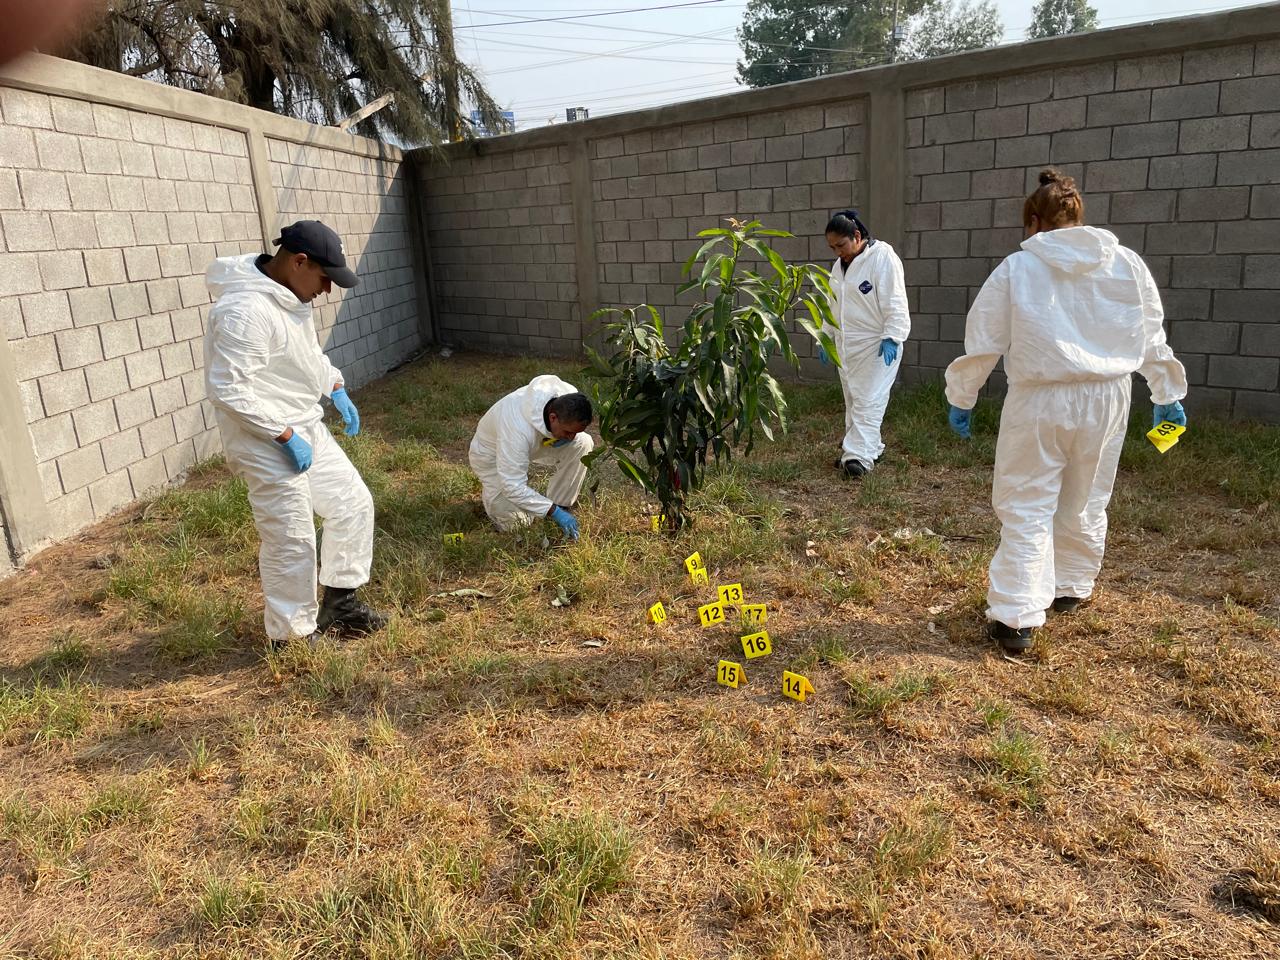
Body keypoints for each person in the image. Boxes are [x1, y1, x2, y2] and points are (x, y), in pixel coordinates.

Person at [945, 169, 1188, 654]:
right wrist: (1166, 391)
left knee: (1026, 503)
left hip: (1041, 398)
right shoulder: (1127, 264)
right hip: (1109, 395)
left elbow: (984, 341)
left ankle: (1015, 617)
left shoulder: (1017, 269)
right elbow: (1150, 334)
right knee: (1086, 494)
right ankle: (1072, 585)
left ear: (1033, 220)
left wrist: (962, 396)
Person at [204, 220, 388, 648]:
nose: (327, 290)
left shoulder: (288, 297)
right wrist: (283, 435)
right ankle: (290, 637)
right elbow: (228, 388)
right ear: (300, 261)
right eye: (325, 278)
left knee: (352, 503)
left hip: (303, 424)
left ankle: (340, 605)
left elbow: (305, 356)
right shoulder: (244, 311)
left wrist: (336, 386)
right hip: (262, 437)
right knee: (291, 537)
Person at [824, 210, 911, 478]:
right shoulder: (839, 267)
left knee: (869, 400)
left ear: (857, 236)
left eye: (841, 245)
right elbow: (832, 303)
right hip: (846, 346)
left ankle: (857, 458)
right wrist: (825, 336)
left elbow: (895, 300)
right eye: (833, 247)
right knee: (853, 397)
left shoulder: (883, 258)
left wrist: (893, 337)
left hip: (877, 345)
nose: (838, 252)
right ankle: (867, 447)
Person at [469, 376, 594, 539]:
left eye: (574, 432)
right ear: (553, 418)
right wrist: (552, 511)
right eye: (568, 432)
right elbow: (512, 485)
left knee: (583, 442)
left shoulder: (567, 398)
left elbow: (571, 435)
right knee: (518, 526)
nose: (571, 437)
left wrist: (556, 436)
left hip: (536, 442)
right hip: (491, 455)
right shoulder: (516, 428)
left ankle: (562, 504)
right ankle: (496, 501)